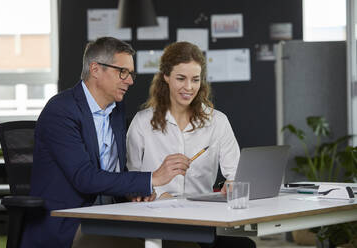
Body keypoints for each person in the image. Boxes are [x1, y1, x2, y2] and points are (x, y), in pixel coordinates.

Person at [20, 37, 190, 248]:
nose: (130, 81)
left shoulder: (115, 109)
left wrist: (131, 191)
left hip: (112, 213)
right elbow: (85, 178)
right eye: (123, 72)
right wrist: (151, 179)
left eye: (131, 73)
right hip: (70, 222)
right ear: (95, 69)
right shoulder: (61, 111)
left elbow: (111, 171)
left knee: (182, 243)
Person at [126, 41, 256, 248]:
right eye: (181, 78)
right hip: (157, 217)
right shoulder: (142, 122)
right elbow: (131, 177)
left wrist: (232, 184)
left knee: (244, 246)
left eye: (195, 80)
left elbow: (236, 173)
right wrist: (160, 194)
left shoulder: (217, 121)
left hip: (203, 219)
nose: (189, 87)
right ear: (166, 77)